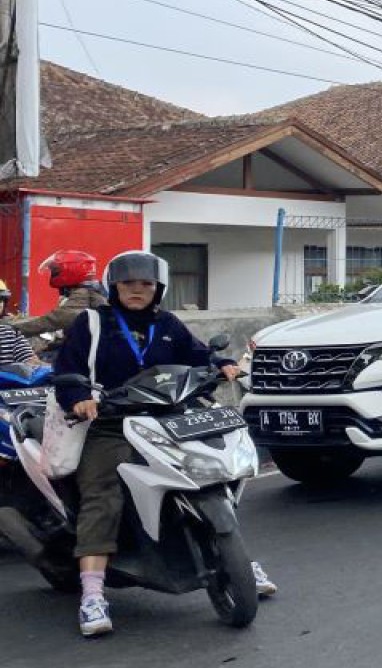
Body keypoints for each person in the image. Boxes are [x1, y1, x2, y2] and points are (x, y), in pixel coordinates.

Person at [54, 251, 276, 638]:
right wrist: (78, 395)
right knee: (102, 494)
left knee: (214, 472)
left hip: (169, 419)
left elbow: (198, 354)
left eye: (145, 284)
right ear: (114, 287)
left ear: (158, 289)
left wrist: (221, 363)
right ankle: (92, 593)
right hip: (112, 425)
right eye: (128, 284)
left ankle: (237, 558)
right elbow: (68, 368)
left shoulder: (169, 323)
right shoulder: (92, 323)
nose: (137, 290)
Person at [7, 251, 109, 356]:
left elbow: (52, 321)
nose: (53, 274)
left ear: (71, 271)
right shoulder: (92, 291)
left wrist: (8, 329)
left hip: (87, 354)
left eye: (55, 270)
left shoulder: (83, 295)